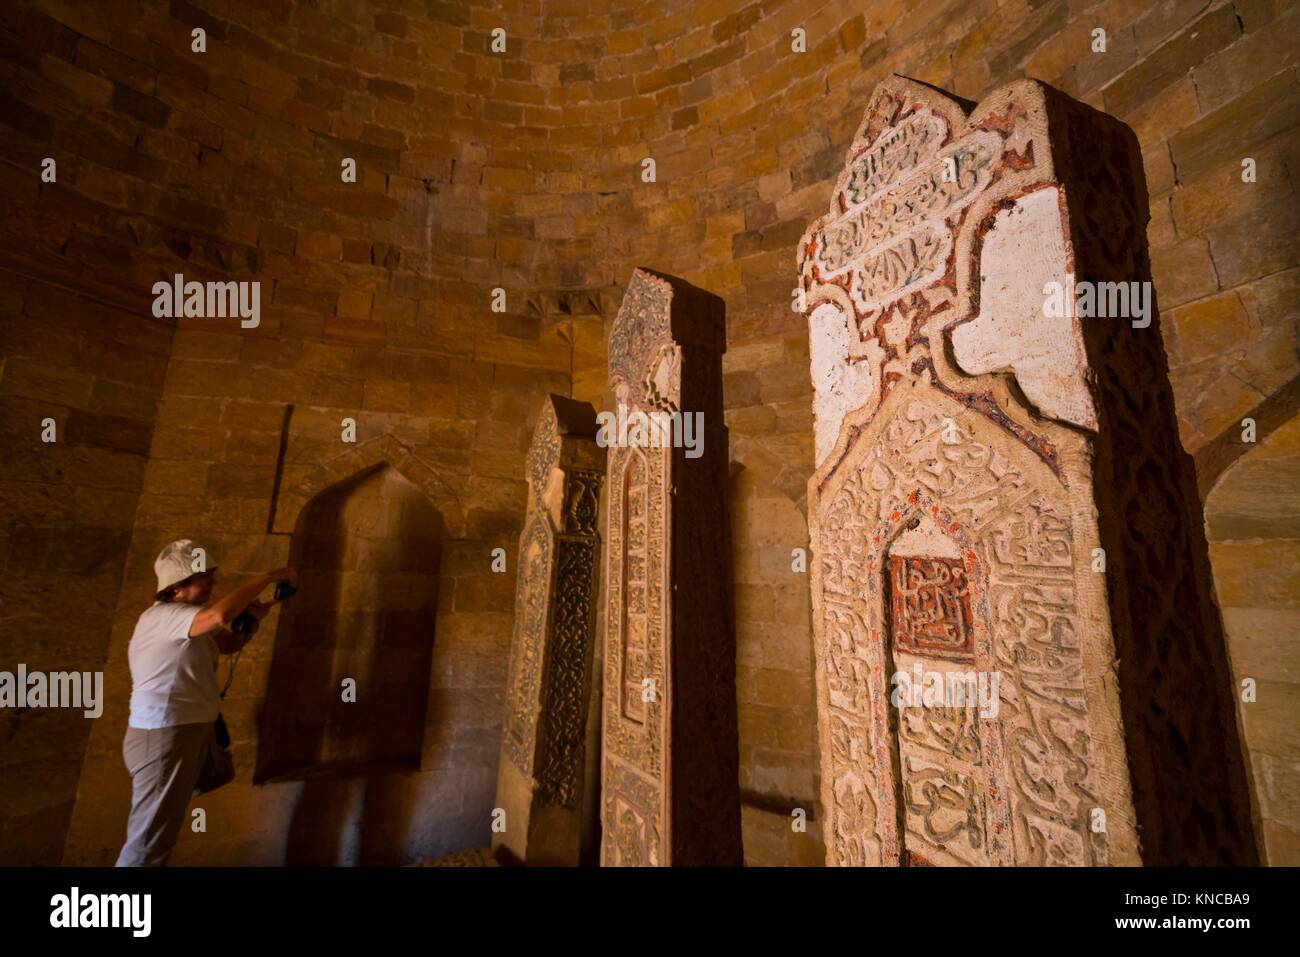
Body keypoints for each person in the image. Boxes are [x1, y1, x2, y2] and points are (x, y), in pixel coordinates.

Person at [115, 539, 296, 867]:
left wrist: (252, 620)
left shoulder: (185, 618)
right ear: (178, 586)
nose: (212, 582)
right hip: (164, 735)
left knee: (159, 832)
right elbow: (218, 617)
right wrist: (267, 578)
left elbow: (226, 643)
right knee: (149, 841)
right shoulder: (165, 616)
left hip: (182, 731)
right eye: (204, 577)